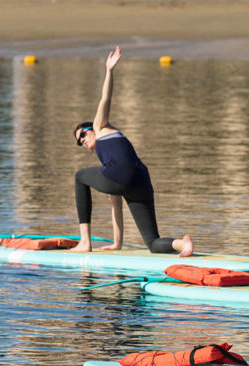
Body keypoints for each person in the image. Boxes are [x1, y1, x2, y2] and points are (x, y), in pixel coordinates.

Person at [71, 46, 193, 256]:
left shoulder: (100, 127)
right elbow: (116, 204)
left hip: (126, 175)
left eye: (82, 134)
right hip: (141, 180)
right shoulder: (108, 163)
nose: (82, 140)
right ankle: (182, 244)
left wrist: (109, 71)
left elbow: (105, 99)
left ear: (92, 127)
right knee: (153, 244)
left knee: (80, 177)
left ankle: (84, 242)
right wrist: (117, 244)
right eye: (78, 141)